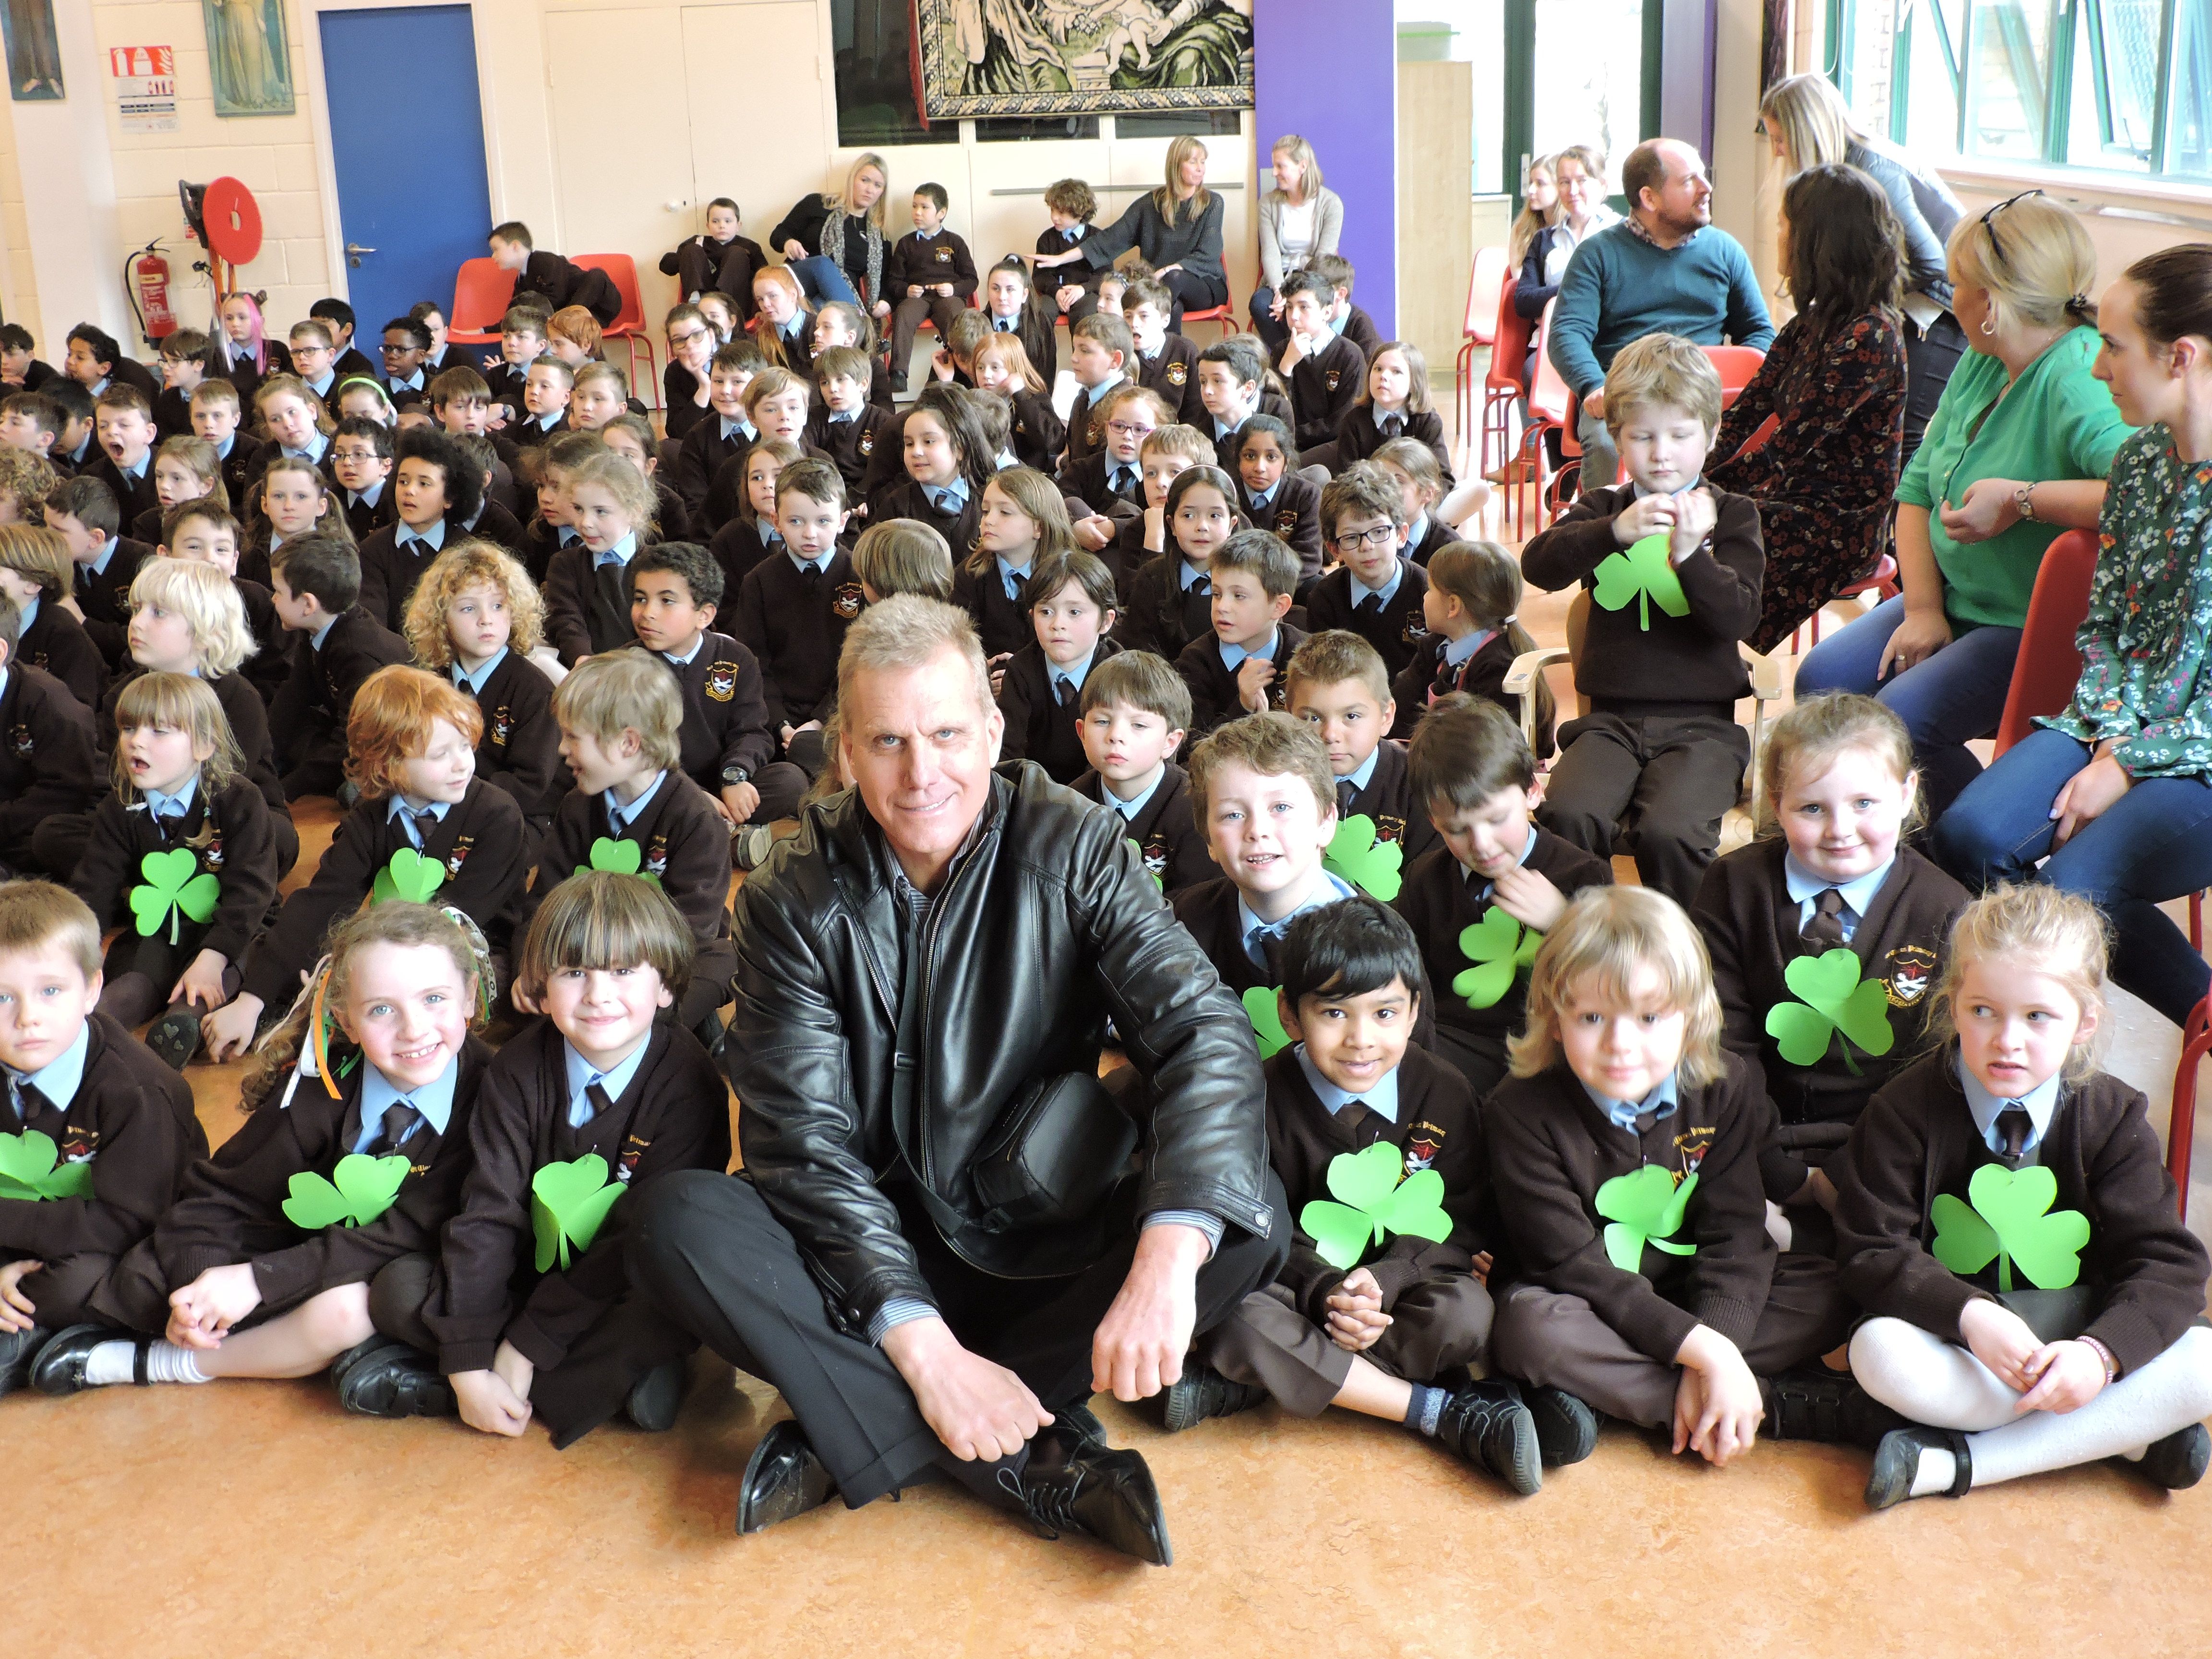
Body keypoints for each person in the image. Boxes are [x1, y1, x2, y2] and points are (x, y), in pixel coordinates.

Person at [628, 595, 1285, 1561]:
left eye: (945, 733)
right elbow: (801, 1148)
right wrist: (927, 1353)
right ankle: (1029, 1459)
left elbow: (1205, 1035)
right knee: (675, 1222)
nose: (923, 772)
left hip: (1041, 1238)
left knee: (1245, 1208)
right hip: (858, 1262)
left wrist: (1168, 1255)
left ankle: (850, 1424)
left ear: (992, 727)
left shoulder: (1077, 844)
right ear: (843, 751)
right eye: (888, 741)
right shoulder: (789, 897)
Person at [1170, 896, 1576, 1492]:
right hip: (1299, 1287)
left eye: (1385, 1013)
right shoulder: (1259, 1098)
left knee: (1467, 1315)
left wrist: (1384, 1281)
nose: (1361, 1040)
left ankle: (1263, 1378)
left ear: (1414, 1012)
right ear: (1289, 1016)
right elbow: (1258, 1227)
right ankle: (1434, 1410)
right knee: (1235, 1313)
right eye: (1334, 1013)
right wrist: (1328, 1293)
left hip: (1402, 1291)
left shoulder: (1445, 1091)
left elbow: (1463, 1223)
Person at [1833, 884, 2212, 1509]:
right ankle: (2125, 1436)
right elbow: (1871, 1250)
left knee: (2203, 1362)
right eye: (1984, 1011)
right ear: (1953, 1007)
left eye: (2038, 1017)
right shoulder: (1902, 1110)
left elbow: (2170, 1266)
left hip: (2076, 1336)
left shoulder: (2113, 1116)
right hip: (1962, 1350)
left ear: (2084, 1022)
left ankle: (1958, 1463)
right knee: (1878, 1354)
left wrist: (2101, 1357)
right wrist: (1972, 1317)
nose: (2008, 1040)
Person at [32, 902, 493, 1413]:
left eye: (434, 999)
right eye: (381, 1009)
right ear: (346, 1019)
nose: (413, 1029)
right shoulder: (315, 1088)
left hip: (391, 1260)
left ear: (469, 996)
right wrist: (200, 1291)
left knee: (350, 1312)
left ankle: (165, 1364)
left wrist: (258, 1282)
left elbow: (412, 1230)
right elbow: (222, 1195)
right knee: (124, 1285)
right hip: (299, 1252)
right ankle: (264, 1344)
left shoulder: (491, 1095)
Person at [1932, 244, 2212, 1031]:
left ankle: (2194, 1015)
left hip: (2201, 755)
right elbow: (2107, 627)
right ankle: (2031, 1025)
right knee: (1970, 836)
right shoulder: (2138, 466)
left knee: (2073, 893)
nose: (2096, 369)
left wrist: (2125, 763)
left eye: (2113, 348)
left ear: (2181, 356)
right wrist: (2110, 735)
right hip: (2119, 722)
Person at [1484, 887, 1857, 1466]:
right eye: (1591, 1018)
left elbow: (1734, 1234)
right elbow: (1572, 1267)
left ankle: (1613, 1399)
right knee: (1528, 1330)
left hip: (1686, 1286)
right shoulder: (1518, 1110)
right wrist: (1710, 1355)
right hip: (1586, 1297)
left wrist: (1713, 1345)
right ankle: (1762, 1406)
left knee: (1832, 1284)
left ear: (1691, 1018)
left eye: (1650, 1017)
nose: (1621, 1044)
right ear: (1554, 1021)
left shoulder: (1725, 1085)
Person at [1791, 194, 2132, 820]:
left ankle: (1955, 854)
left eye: (1957, 285)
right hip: (1953, 600)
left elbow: (2139, 495)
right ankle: (1913, 838)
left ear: (1993, 305)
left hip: (2024, 624)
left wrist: (2022, 501)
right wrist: (1921, 608)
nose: (1950, 298)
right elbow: (1917, 489)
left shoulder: (2077, 376)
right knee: (1823, 684)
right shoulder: (1982, 358)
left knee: (1898, 723)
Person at [1693, 694, 1967, 1221]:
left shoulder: (1947, 909)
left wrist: (1849, 1171)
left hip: (1886, 1142)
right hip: (1746, 1129)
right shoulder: (1732, 885)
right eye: (1812, 808)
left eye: (1865, 803)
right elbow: (1720, 1038)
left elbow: (1938, 1068)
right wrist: (1775, 1168)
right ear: (1776, 804)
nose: (1840, 829)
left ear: (1908, 793)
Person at [1522, 335, 1763, 905]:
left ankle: (1687, 958)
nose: (1662, 454)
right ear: (1617, 438)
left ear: (1709, 436)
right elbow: (1539, 567)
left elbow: (1739, 618)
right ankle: (1582, 943)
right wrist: (1613, 533)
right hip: (1609, 723)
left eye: (1680, 436)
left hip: (1704, 731)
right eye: (1642, 436)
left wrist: (1690, 556)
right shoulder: (1605, 508)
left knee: (1670, 832)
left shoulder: (1731, 515)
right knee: (1567, 813)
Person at [208, 665, 529, 1062]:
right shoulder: (371, 817)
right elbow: (320, 903)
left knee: (412, 988)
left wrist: (354, 974)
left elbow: (459, 922)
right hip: (393, 945)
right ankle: (242, 1010)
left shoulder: (498, 815)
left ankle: (325, 1023)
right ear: (387, 765)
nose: (462, 763)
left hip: (474, 952)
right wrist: (252, 1000)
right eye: (440, 754)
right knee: (298, 948)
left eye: (465, 746)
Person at [0, 881, 203, 1394]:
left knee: (77, 1281)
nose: (27, 1018)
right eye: (2, 997)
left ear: (92, 989)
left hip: (132, 1232)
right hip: (43, 1221)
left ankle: (44, 1325)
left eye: (51, 991)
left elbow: (126, 1222)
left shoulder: (137, 1089)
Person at [1705, 163, 1908, 653]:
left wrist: (1699, 493)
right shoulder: (1808, 325)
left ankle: (1712, 677)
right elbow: (1741, 417)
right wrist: (1684, 472)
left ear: (1819, 240)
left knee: (1710, 546)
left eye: (1784, 224)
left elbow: (1785, 450)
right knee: (1668, 522)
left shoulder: (1870, 335)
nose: (1777, 234)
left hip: (1839, 523)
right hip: (1791, 497)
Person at [1393, 694, 1610, 1096]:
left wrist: (1564, 921)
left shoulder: (1583, 874)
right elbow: (1408, 977)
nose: (1483, 845)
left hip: (1548, 1046)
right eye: (1457, 830)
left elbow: (1614, 978)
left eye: (1496, 820)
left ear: (1531, 791)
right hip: (1449, 1044)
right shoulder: (1425, 878)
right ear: (1433, 821)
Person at [66, 672, 278, 1072]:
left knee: (196, 997)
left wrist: (213, 958)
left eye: (158, 732)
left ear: (203, 745)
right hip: (161, 929)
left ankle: (177, 1034)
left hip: (233, 932)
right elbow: (93, 887)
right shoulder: (120, 807)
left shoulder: (240, 801)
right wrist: (72, 961)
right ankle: (89, 1036)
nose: (136, 741)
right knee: (123, 994)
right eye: (129, 728)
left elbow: (250, 894)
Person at [1547, 138, 1775, 490]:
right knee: (1609, 445)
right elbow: (1567, 333)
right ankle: (1603, 534)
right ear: (1649, 198)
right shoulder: (1597, 254)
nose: (1707, 189)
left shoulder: (1725, 251)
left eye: (1703, 176)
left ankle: (1727, 534)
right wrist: (1594, 385)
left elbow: (1759, 334)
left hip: (1699, 394)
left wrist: (1729, 384)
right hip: (1626, 395)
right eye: (1689, 181)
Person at [1759, 72, 1967, 458]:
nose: (1777, 153)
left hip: (1940, 310)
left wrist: (1857, 292)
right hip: (1905, 308)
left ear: (1806, 131)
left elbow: (1933, 262)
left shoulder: (1875, 171)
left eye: (1780, 139)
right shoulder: (1843, 170)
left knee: (1904, 437)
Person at [625, 539, 808, 865]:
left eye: (666, 601)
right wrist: (690, 795)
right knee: (626, 790)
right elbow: (636, 753)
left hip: (722, 782)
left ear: (705, 615)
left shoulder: (736, 659)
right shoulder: (627, 666)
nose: (647, 613)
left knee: (790, 781)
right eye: (641, 599)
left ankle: (704, 832)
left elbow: (752, 731)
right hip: (661, 783)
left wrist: (734, 777)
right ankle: (726, 836)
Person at [400, 540, 564, 837]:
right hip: (442, 800)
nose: (486, 619)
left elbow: (530, 785)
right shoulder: (433, 684)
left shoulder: (533, 690)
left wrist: (447, 800)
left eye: (498, 606)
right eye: (468, 608)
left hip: (516, 815)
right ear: (441, 620)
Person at [1285, 629, 1435, 871]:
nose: (1331, 735)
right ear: (1289, 716)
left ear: (1386, 717)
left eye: (1351, 716)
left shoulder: (1418, 786)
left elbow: (1424, 886)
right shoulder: (1274, 784)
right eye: (1312, 718)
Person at [1043, 137, 1227, 333]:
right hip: (1161, 294)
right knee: (1172, 307)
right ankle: (1163, 360)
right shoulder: (1150, 204)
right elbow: (1109, 240)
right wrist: (1061, 258)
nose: (1201, 168)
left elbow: (1208, 255)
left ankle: (1141, 342)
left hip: (1204, 286)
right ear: (1176, 165)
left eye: (1203, 162)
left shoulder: (1213, 203)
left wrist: (1164, 272)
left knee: (1172, 280)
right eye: (1193, 162)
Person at [1071, 649, 1212, 895]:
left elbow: (1194, 904)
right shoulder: (1070, 806)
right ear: (1082, 733)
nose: (1115, 735)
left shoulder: (1194, 809)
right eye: (1103, 721)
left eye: (1138, 725)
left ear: (1171, 742)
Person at [1389, 539, 1543, 746]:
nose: (1424, 597)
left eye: (1430, 589)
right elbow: (1402, 702)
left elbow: (1492, 747)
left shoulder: (1499, 668)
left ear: (1453, 606)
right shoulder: (1435, 646)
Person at [994, 550, 1122, 786]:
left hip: (1096, 801)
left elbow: (1110, 760)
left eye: (1074, 612)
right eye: (1046, 612)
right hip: (1033, 796)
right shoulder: (1021, 671)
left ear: (1106, 621)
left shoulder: (1119, 676)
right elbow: (1008, 755)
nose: (1057, 624)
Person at [1302, 462, 1431, 680]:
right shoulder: (1324, 599)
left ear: (1401, 534)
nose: (1367, 546)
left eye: (1379, 531)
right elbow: (1327, 676)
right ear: (1334, 549)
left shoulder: (1427, 591)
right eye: (1352, 537)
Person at [1176, 529, 1304, 738]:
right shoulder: (1195, 662)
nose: (1222, 606)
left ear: (1279, 607)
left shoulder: (1305, 656)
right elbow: (1189, 750)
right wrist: (1243, 706)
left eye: (1239, 596)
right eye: (1216, 594)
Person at [1513, 146, 1617, 396]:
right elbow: (1524, 301)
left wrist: (1557, 297)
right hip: (1550, 346)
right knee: (1531, 374)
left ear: (1602, 185)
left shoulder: (1624, 235)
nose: (1572, 191)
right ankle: (1553, 437)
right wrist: (1580, 290)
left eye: (1582, 181)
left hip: (1609, 346)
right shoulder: (1544, 239)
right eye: (1564, 182)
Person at [1251, 135, 1344, 356]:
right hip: (1280, 278)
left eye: (1280, 166)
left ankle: (1308, 361)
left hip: (1315, 278)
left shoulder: (1331, 204)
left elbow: (1324, 257)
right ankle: (1288, 362)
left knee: (1301, 308)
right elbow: (1270, 252)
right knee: (1261, 304)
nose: (1274, 173)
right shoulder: (1267, 204)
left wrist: (1298, 294)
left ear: (1302, 166)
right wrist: (1279, 290)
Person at [884, 183, 978, 395]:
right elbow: (893, 281)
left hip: (947, 297)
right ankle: (899, 373)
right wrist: (907, 290)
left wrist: (953, 289)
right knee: (905, 313)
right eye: (915, 206)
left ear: (941, 213)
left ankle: (963, 370)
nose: (917, 213)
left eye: (925, 207)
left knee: (954, 315)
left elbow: (972, 279)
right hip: (918, 297)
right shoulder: (906, 244)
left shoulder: (954, 242)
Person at [770, 155, 891, 313]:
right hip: (799, 280)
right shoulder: (819, 203)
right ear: (852, 179)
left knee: (825, 309)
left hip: (837, 294)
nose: (870, 190)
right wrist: (788, 242)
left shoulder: (880, 238)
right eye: (865, 180)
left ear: (882, 192)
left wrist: (887, 302)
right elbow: (778, 234)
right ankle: (858, 324)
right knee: (823, 264)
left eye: (878, 185)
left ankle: (847, 322)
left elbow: (885, 280)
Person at [488, 223, 620, 330]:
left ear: (515, 246)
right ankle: (567, 321)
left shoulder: (544, 260)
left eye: (496, 249)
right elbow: (515, 316)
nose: (493, 256)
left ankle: (568, 319)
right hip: (583, 320)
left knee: (597, 275)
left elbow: (557, 295)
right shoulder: (521, 281)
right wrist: (483, 330)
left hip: (600, 305)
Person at [660, 197, 766, 317]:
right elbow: (666, 266)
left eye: (728, 221)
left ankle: (722, 304)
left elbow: (765, 275)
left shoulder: (750, 247)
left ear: (738, 226)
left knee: (737, 253)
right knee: (692, 249)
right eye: (715, 221)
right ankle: (696, 300)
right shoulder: (698, 242)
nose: (722, 226)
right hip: (701, 306)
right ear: (708, 225)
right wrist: (689, 257)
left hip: (734, 308)